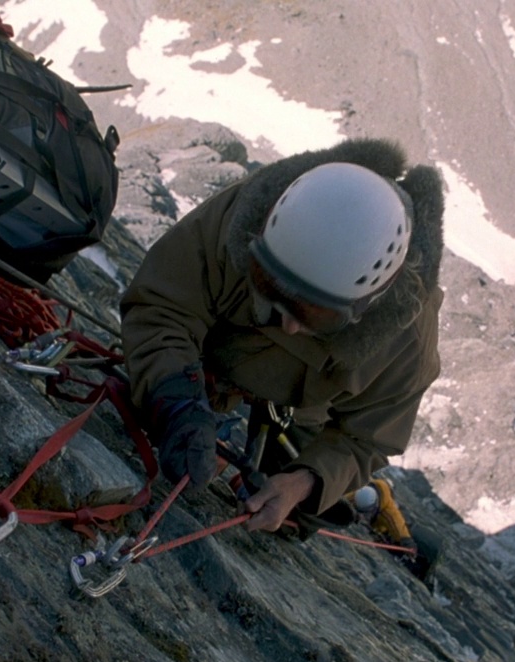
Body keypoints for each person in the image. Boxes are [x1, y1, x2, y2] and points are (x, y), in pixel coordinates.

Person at [120, 138, 444, 534]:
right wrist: (175, 401)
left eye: (314, 316)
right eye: (269, 289)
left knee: (292, 520)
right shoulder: (242, 217)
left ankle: (367, 500)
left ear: (367, 304)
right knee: (144, 416)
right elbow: (163, 306)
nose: (289, 325)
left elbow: (367, 439)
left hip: (305, 404)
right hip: (215, 353)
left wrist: (306, 481)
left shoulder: (405, 339)